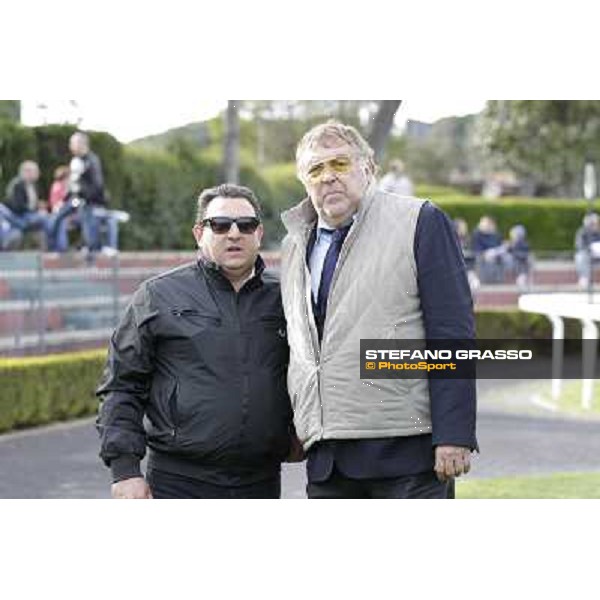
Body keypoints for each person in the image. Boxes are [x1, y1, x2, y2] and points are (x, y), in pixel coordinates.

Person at [279, 121, 477, 499]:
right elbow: (298, 346)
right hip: (328, 457)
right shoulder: (294, 244)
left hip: (408, 453)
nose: (328, 178)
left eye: (339, 163)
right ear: (304, 181)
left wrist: (454, 433)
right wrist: (296, 426)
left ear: (368, 167)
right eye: (315, 170)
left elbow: (451, 333)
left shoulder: (420, 220)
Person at [96, 183, 298, 499]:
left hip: (262, 481)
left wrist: (301, 433)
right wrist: (125, 470)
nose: (234, 233)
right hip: (179, 482)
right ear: (198, 233)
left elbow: (316, 370)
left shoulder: (287, 298)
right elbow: (122, 385)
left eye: (245, 225)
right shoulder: (157, 296)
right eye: (219, 225)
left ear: (259, 234)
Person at [50, 132, 119, 256]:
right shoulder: (75, 160)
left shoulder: (92, 160)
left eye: (73, 143)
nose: (70, 146)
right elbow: (73, 183)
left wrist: (88, 200)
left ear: (82, 144)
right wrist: (64, 200)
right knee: (58, 217)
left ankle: (93, 253)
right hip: (75, 199)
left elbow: (97, 184)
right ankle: (58, 249)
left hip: (88, 201)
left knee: (89, 229)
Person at [0, 161, 53, 248]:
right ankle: (57, 248)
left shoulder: (33, 186)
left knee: (49, 219)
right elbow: (17, 207)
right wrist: (34, 209)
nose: (38, 174)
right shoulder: (17, 185)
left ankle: (51, 248)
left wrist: (38, 206)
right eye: (35, 171)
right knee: (46, 218)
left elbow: (31, 204)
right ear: (27, 172)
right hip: (19, 217)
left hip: (28, 216)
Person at [471, 215, 510, 283]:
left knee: (507, 258)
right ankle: (487, 280)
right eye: (486, 223)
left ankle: (499, 279)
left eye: (490, 223)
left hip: (496, 254)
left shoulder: (495, 234)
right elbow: (476, 248)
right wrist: (486, 253)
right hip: (482, 255)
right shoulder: (477, 234)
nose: (488, 225)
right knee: (489, 258)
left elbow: (500, 245)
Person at [574, 212, 600, 289]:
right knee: (581, 257)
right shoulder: (582, 232)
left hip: (598, 256)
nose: (595, 225)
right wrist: (591, 249)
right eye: (593, 223)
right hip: (587, 256)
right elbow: (580, 245)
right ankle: (584, 280)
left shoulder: (598, 233)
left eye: (596, 223)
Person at [505, 224, 531, 289]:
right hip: (516, 266)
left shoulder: (523, 244)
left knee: (522, 280)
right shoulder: (513, 244)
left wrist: (511, 250)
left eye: (513, 234)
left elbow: (523, 255)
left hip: (522, 267)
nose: (512, 236)